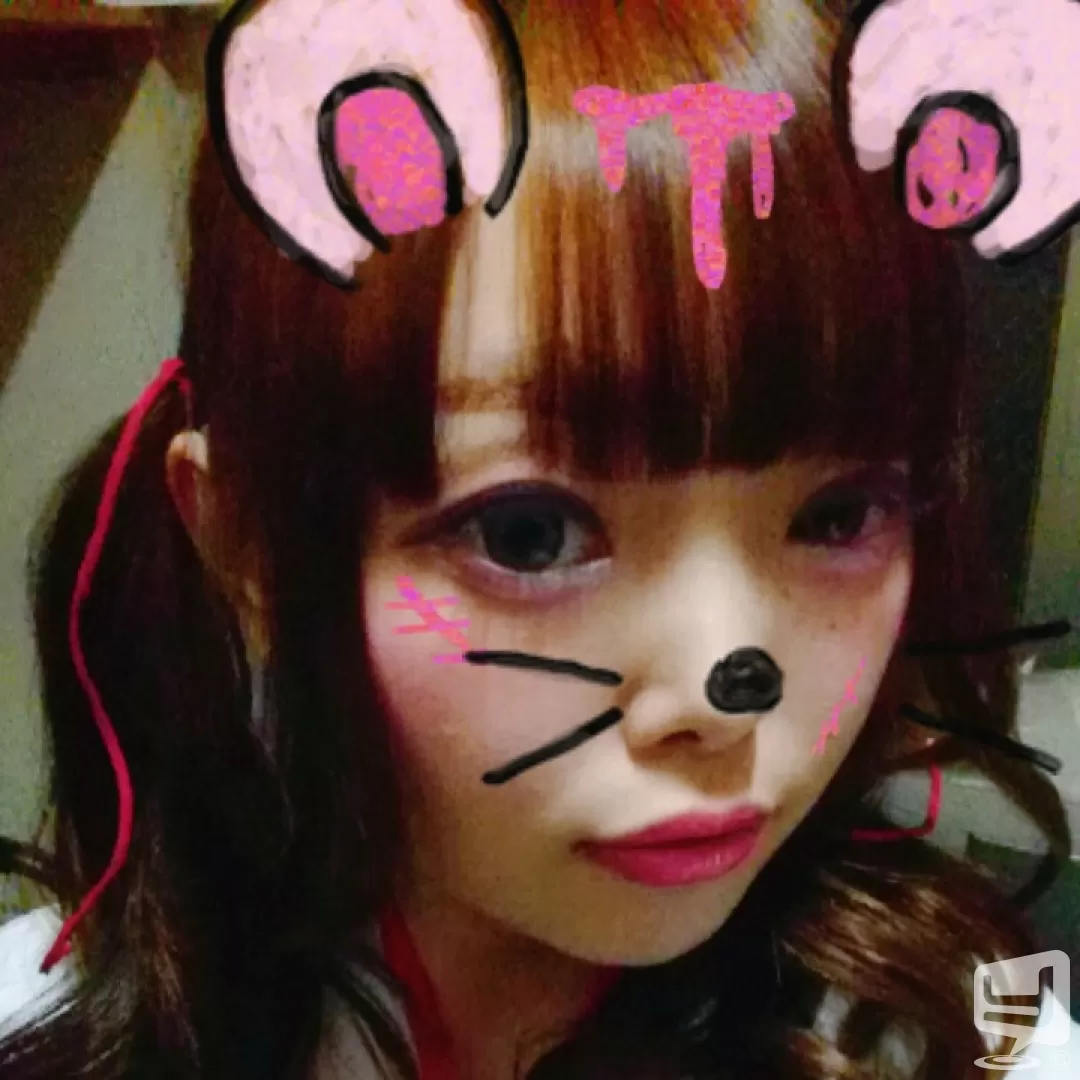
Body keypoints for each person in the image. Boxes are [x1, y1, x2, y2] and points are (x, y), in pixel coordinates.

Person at [0, 1, 1075, 1077]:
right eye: (529, 534)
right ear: (249, 547)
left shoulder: (971, 1036)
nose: (720, 695)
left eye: (838, 516)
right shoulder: (56, 1024)